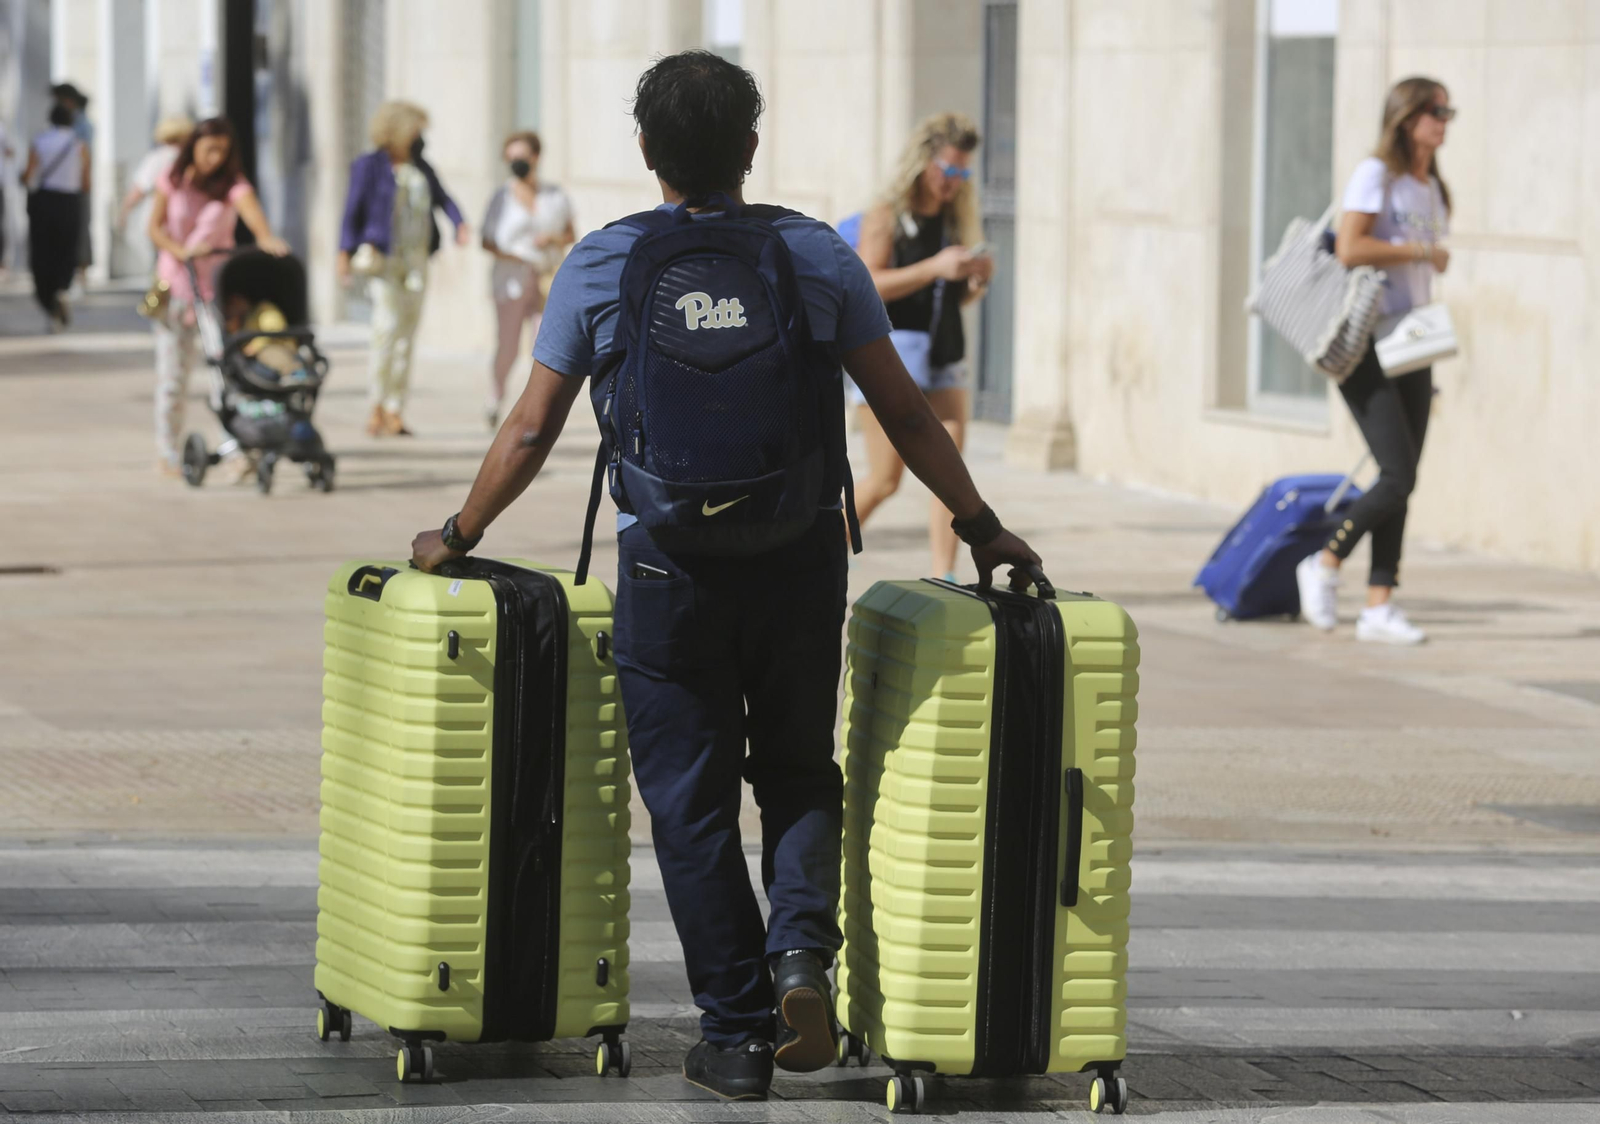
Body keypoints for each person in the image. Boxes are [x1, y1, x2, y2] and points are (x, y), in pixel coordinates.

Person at [410, 50, 1041, 1102]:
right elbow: (904, 410)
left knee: (690, 805)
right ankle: (802, 958)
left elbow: (530, 429)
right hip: (797, 557)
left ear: (647, 152)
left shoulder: (604, 262)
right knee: (795, 769)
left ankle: (738, 1033)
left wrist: (457, 530)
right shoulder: (817, 255)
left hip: (665, 567)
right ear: (750, 148)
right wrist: (981, 526)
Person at [1296, 76, 1454, 646]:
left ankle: (1379, 607)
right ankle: (1325, 562)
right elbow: (1351, 247)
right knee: (1397, 473)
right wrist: (1420, 250)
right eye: (1436, 109)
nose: (1445, 119)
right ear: (1407, 116)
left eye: (1448, 110)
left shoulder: (1429, 185)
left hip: (1412, 342)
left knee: (1403, 481)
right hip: (1364, 341)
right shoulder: (1376, 175)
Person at [850, 112, 995, 581]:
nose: (953, 182)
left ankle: (945, 577)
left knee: (951, 477)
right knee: (885, 480)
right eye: (947, 170)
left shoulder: (956, 218)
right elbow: (867, 283)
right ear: (923, 163)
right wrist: (934, 267)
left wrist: (974, 280)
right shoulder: (886, 214)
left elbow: (958, 297)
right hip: (889, 354)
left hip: (945, 355)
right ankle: (818, 549)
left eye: (962, 173)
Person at [146, 117, 289, 477]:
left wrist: (265, 237)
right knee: (172, 378)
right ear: (194, 145)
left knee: (223, 377)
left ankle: (238, 448)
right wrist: (179, 251)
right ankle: (167, 450)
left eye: (223, 151)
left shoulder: (232, 185)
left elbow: (252, 213)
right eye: (210, 148)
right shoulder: (172, 178)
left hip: (213, 295)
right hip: (174, 289)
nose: (215, 157)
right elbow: (154, 226)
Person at [337, 100, 469, 438]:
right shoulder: (369, 166)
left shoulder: (421, 167)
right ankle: (376, 405)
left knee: (407, 336)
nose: (420, 137)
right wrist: (343, 253)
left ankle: (396, 408)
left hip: (417, 261)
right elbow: (353, 211)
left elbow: (444, 199)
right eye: (416, 130)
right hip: (384, 260)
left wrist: (459, 224)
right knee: (386, 328)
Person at [480, 129, 575, 431]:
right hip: (511, 282)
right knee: (507, 347)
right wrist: (516, 255)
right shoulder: (502, 197)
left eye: (522, 157)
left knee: (544, 345)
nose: (517, 163)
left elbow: (572, 235)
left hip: (547, 280)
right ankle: (495, 398)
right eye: (511, 159)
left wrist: (552, 239)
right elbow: (486, 240)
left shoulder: (555, 196)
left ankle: (536, 409)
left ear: (535, 157)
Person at [20, 103, 89, 330]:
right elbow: (86, 182)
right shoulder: (79, 145)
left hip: (44, 202)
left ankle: (48, 300)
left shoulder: (40, 141)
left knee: (42, 252)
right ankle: (62, 288)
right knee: (66, 250)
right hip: (70, 203)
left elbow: (29, 176)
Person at [50, 83, 94, 291]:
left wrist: (86, 183)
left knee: (80, 229)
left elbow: (85, 156)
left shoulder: (80, 124)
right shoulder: (63, 125)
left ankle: (81, 274)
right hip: (65, 186)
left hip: (76, 186)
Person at [119, 116, 193, 230]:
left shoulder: (157, 158)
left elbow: (140, 189)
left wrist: (124, 211)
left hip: (156, 219)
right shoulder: (190, 159)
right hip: (184, 218)